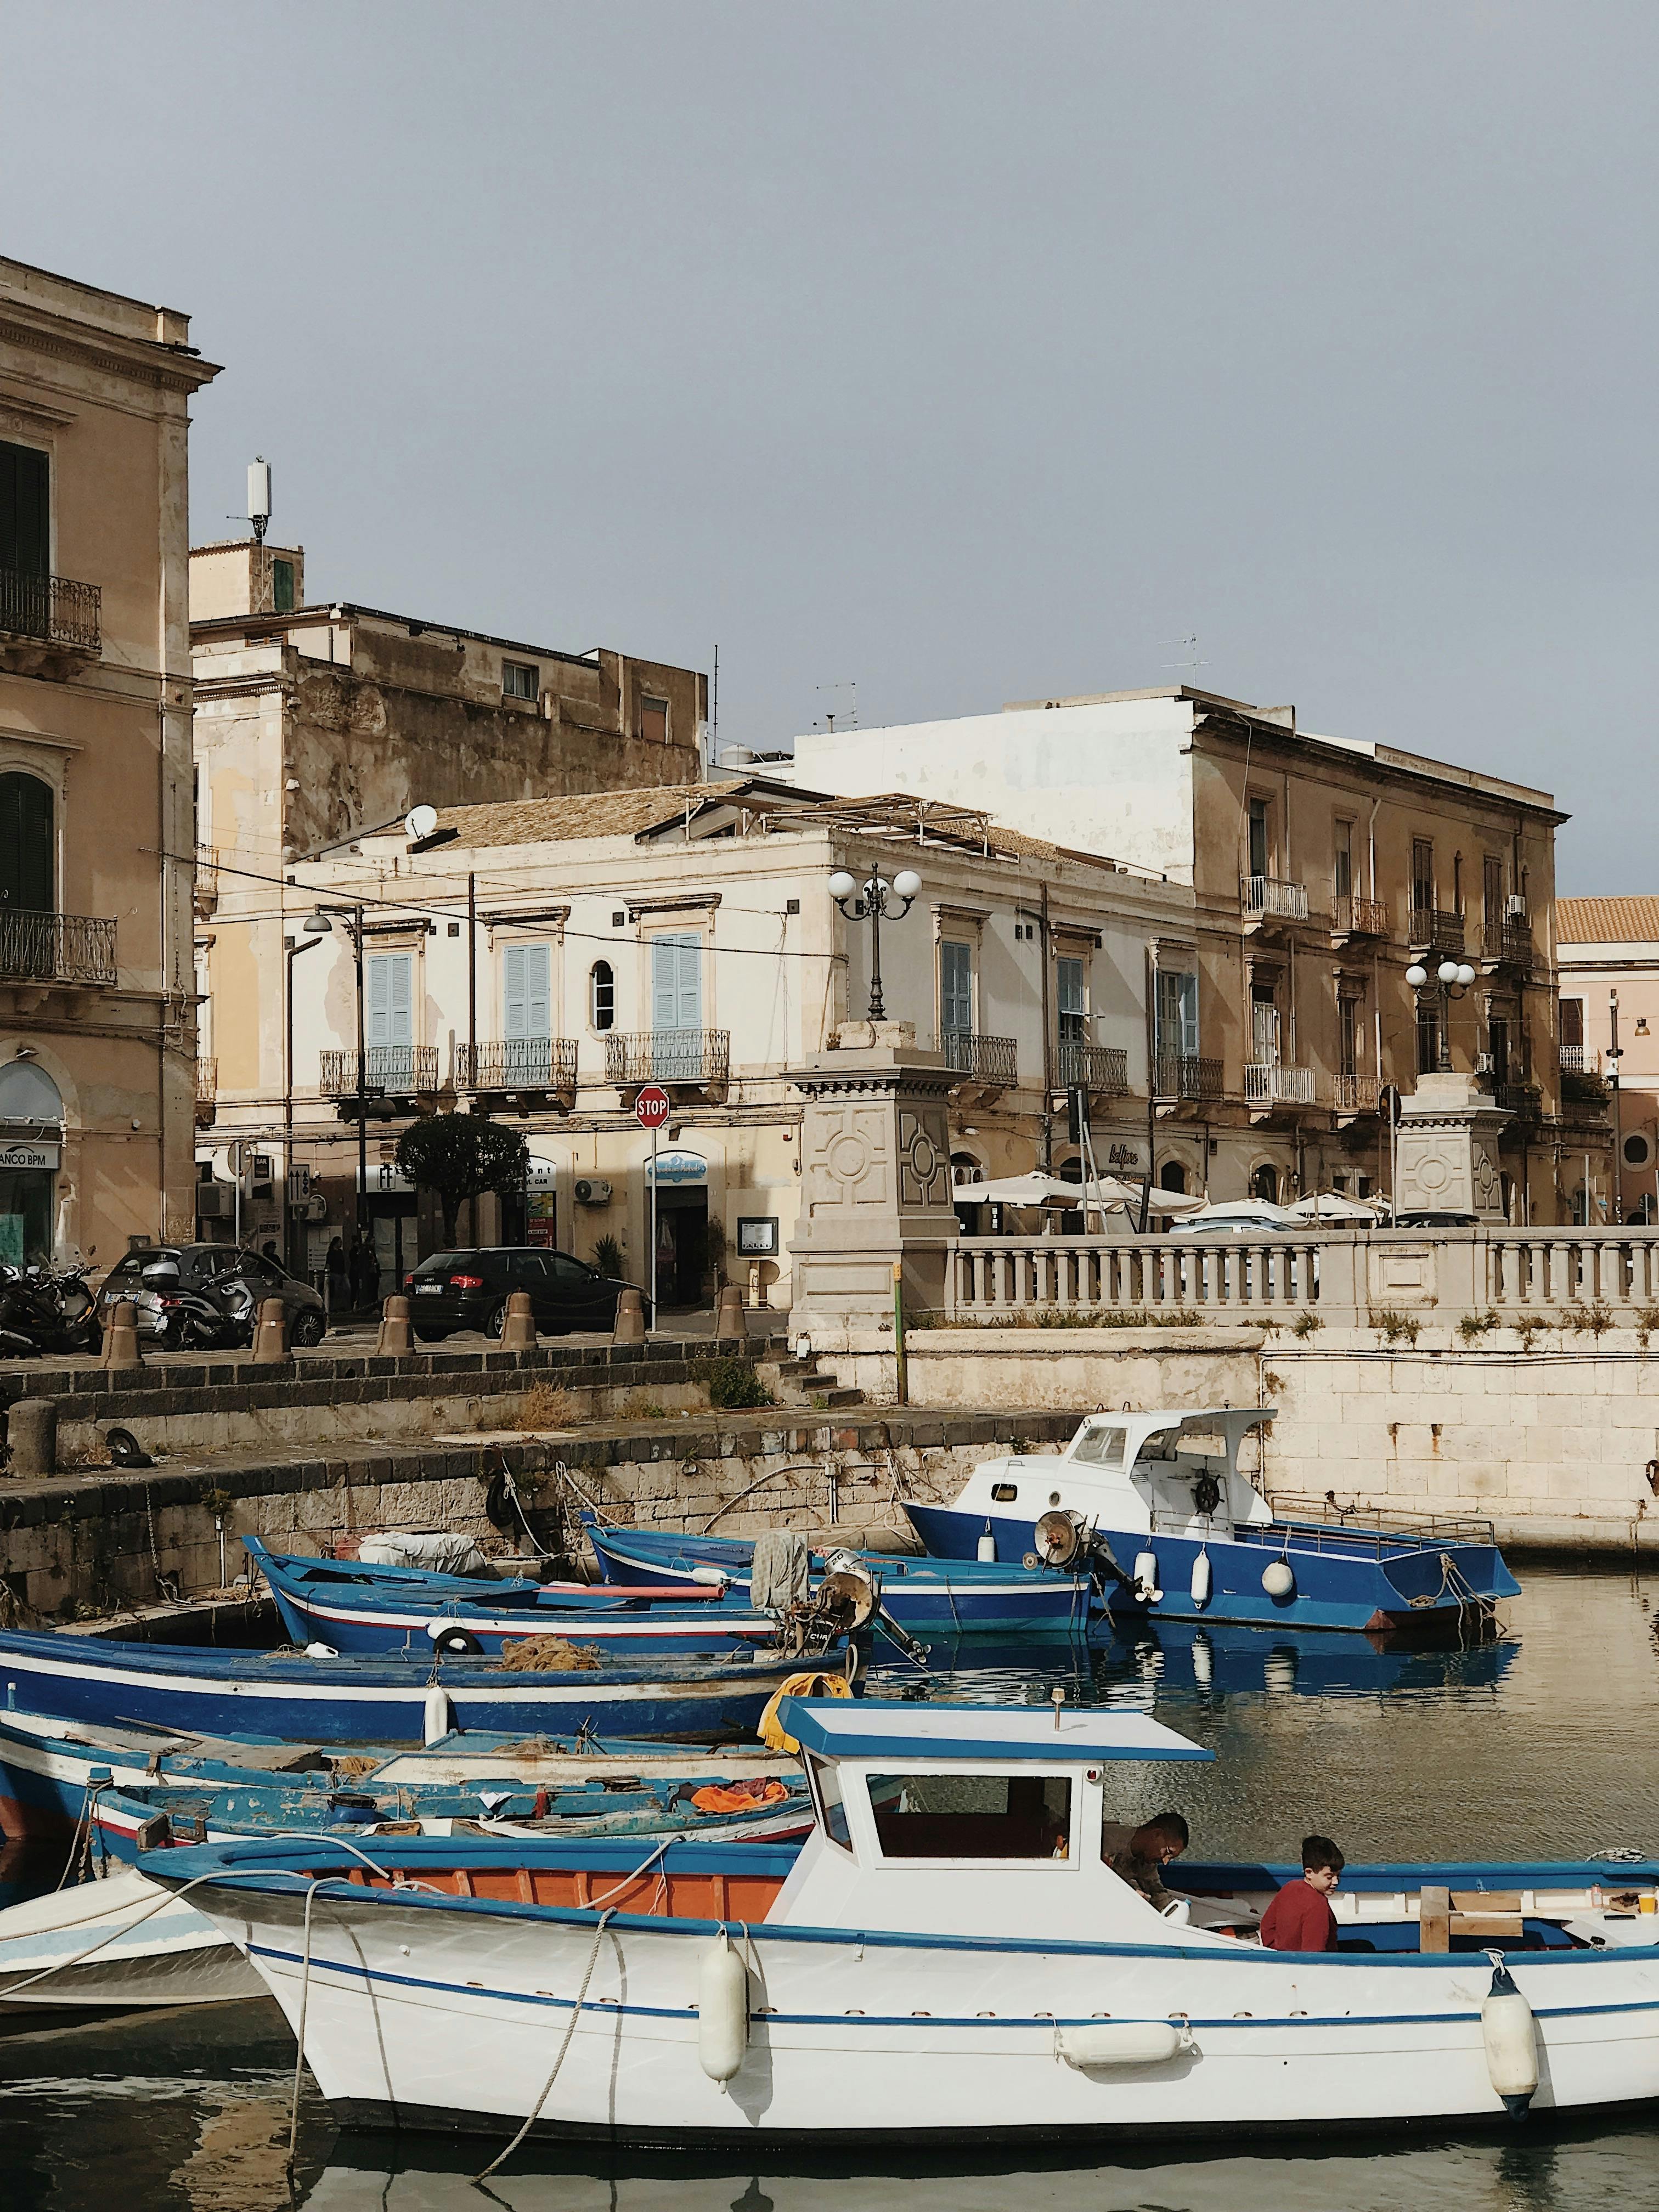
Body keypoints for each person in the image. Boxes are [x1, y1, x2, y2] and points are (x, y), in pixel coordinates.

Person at [1259, 1835, 1345, 1952]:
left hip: (1282, 1957)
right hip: (1310, 1964)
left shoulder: (1289, 1887)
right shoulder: (1318, 1905)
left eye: (1338, 1876)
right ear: (1309, 1873)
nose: (1336, 1882)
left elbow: (1267, 1926)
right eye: (1329, 1877)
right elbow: (1314, 1953)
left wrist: (1277, 1954)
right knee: (1364, 1947)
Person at [1101, 1812, 1189, 1912]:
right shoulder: (1105, 1840)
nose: (1165, 1862)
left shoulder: (1148, 1863)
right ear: (1156, 1834)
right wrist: (1130, 1895)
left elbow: (1157, 1894)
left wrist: (1176, 1914)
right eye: (1167, 1852)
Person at [325, 1235, 348, 1314]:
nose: (341, 1244)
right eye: (340, 1242)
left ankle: (342, 1306)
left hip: (342, 1272)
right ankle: (334, 1307)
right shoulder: (331, 1253)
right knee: (336, 1291)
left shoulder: (340, 1252)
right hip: (335, 1273)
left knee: (346, 1289)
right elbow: (328, 1263)